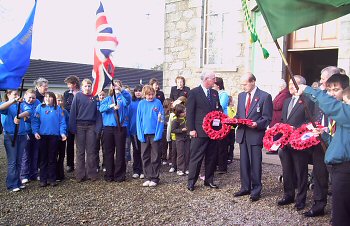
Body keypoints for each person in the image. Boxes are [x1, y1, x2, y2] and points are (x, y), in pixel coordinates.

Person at [297, 77, 350, 226]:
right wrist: (324, 135)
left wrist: (308, 90)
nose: (344, 106)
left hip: (345, 170)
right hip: (340, 167)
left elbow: (334, 107)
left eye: (347, 103)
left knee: (342, 216)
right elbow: (340, 143)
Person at [304, 66, 340, 217]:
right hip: (320, 141)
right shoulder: (320, 96)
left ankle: (338, 213)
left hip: (337, 144)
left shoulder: (342, 98)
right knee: (319, 174)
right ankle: (319, 205)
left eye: (323, 78)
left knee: (339, 181)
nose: (320, 81)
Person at [277, 75, 315, 211]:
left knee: (301, 172)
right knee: (287, 170)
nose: (290, 86)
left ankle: (301, 199)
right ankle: (288, 195)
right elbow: (283, 119)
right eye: (289, 84)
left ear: (302, 86)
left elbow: (309, 121)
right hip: (286, 143)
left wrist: (296, 130)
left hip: (299, 143)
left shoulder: (307, 101)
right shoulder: (287, 101)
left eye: (294, 84)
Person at [233, 72, 273, 202]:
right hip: (242, 134)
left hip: (255, 135)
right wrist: (232, 121)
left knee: (255, 164)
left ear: (253, 82)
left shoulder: (265, 96)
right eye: (242, 84)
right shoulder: (241, 96)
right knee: (243, 163)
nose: (243, 87)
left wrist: (257, 124)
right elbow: (239, 115)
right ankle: (245, 187)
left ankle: (256, 190)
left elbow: (267, 118)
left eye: (245, 84)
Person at [186, 71, 222, 191]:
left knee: (211, 157)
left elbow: (219, 108)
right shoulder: (194, 92)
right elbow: (190, 112)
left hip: (213, 131)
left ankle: (209, 180)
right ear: (207, 79)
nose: (215, 80)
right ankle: (191, 181)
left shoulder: (215, 93)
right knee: (196, 157)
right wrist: (191, 129)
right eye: (213, 78)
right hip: (199, 131)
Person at [69, 78, 102, 182]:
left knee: (91, 151)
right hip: (79, 126)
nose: (87, 88)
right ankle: (80, 174)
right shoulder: (78, 96)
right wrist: (72, 128)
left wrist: (98, 128)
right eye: (85, 86)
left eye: (89, 86)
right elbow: (73, 112)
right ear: (82, 87)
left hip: (91, 126)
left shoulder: (95, 97)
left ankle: (91, 174)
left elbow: (98, 114)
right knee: (80, 152)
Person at [99, 79, 131, 182]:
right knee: (108, 152)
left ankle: (119, 175)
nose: (116, 87)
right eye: (114, 85)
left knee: (120, 152)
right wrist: (111, 106)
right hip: (108, 128)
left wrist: (121, 91)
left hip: (120, 128)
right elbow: (101, 108)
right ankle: (109, 174)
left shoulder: (123, 98)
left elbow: (128, 100)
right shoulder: (108, 99)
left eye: (118, 85)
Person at [32, 92, 67, 187]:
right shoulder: (39, 108)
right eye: (46, 97)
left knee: (52, 158)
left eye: (50, 97)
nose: (47, 99)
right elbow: (35, 121)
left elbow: (62, 122)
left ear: (53, 99)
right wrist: (35, 132)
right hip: (42, 136)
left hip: (54, 137)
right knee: (43, 158)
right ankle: (43, 179)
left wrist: (62, 133)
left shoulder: (58, 109)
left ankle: (52, 178)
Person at [0, 90, 31, 192]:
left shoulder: (21, 104)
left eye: (18, 94)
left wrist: (19, 116)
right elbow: (1, 108)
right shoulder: (6, 105)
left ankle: (18, 181)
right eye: (15, 94)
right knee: (12, 161)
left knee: (19, 160)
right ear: (8, 95)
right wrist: (12, 101)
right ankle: (11, 184)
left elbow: (29, 111)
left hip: (21, 135)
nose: (17, 96)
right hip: (11, 136)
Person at [137, 85, 165, 187]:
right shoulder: (141, 104)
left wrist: (159, 133)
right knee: (145, 156)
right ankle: (147, 176)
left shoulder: (158, 103)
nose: (150, 96)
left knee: (155, 156)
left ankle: (155, 177)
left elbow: (161, 119)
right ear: (144, 95)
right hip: (144, 134)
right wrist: (140, 134)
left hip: (155, 134)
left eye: (152, 94)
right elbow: (138, 119)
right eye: (148, 95)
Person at [20, 89, 41, 184]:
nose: (31, 99)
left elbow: (38, 115)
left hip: (36, 131)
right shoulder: (21, 104)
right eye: (29, 97)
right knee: (26, 154)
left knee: (35, 153)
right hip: (26, 131)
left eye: (33, 97)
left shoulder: (37, 103)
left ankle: (34, 173)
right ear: (25, 96)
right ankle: (24, 174)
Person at [267, 79, 291, 154]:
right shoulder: (281, 93)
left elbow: (278, 106)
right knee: (274, 134)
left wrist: (270, 104)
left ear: (281, 86)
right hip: (275, 117)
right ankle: (273, 148)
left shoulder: (285, 94)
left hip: (278, 117)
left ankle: (274, 149)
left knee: (276, 134)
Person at [63, 75, 80, 173]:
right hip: (70, 122)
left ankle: (80, 164)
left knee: (80, 144)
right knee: (69, 144)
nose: (68, 86)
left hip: (81, 122)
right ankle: (70, 164)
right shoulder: (66, 94)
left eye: (69, 84)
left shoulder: (81, 93)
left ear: (74, 84)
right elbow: (66, 106)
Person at [213, 77, 230, 173]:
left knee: (222, 144)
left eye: (214, 85)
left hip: (222, 121)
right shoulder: (214, 94)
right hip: (215, 121)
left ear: (218, 86)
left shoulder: (224, 95)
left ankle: (222, 166)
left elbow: (221, 106)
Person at [128, 85, 144, 179]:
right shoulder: (131, 102)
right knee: (136, 150)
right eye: (136, 91)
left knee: (144, 151)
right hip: (134, 130)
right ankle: (136, 169)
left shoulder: (144, 102)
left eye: (140, 90)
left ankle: (143, 170)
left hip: (143, 130)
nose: (138, 92)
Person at [171, 103, 190, 176]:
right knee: (180, 154)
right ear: (179, 113)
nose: (185, 113)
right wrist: (182, 130)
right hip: (179, 139)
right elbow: (173, 130)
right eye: (184, 112)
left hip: (187, 138)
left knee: (188, 153)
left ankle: (187, 168)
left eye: (185, 111)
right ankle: (180, 169)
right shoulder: (175, 120)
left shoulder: (186, 118)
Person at [55, 93, 69, 181]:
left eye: (60, 100)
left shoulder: (65, 112)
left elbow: (66, 123)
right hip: (53, 137)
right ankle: (54, 173)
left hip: (62, 137)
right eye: (57, 100)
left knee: (62, 155)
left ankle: (60, 174)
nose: (59, 102)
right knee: (54, 155)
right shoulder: (51, 110)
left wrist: (65, 133)